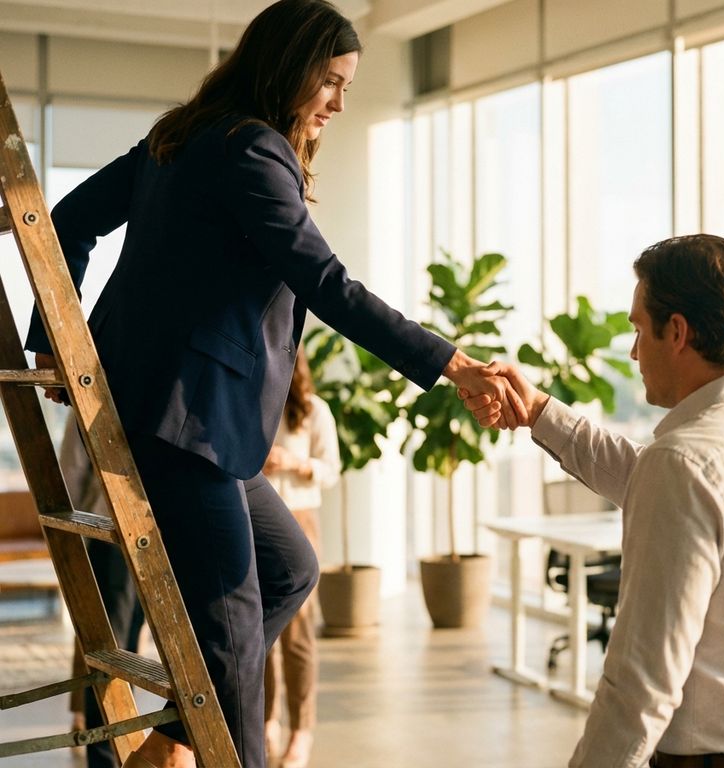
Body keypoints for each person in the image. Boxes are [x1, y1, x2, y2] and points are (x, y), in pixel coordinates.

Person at [26, 2, 523, 766]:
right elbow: (327, 284)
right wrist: (450, 363)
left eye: (347, 87)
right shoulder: (250, 150)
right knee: (230, 632)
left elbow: (68, 219)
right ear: (288, 67)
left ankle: (169, 735)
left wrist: (57, 342)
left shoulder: (184, 134)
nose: (338, 102)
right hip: (186, 425)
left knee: (288, 565)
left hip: (185, 422)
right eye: (329, 82)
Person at [467, 234, 724, 768]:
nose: (632, 350)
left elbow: (641, 685)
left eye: (638, 329)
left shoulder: (683, 463)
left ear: (677, 332)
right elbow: (648, 475)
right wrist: (538, 412)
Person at [262, 349, 340, 768]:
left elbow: (332, 469)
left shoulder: (314, 411)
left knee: (298, 637)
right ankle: (267, 719)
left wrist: (292, 462)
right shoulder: (254, 399)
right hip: (257, 526)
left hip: (301, 523)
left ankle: (301, 732)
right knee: (262, 631)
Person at [60, 416, 145, 768]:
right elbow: (70, 471)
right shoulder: (90, 397)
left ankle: (117, 747)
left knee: (124, 649)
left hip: (144, 536)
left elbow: (70, 470)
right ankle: (106, 756)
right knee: (113, 651)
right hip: (112, 534)